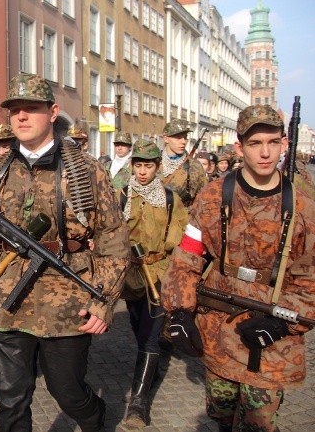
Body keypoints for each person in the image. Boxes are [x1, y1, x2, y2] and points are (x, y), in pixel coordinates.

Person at [0, 73, 129, 432]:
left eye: (31, 109)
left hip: (68, 297)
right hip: (6, 298)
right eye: (15, 110)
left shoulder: (86, 170)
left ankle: (95, 420)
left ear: (52, 112)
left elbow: (113, 238)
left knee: (67, 392)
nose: (20, 117)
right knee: (11, 399)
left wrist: (105, 300)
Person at [160, 105, 315, 432]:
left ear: (284, 144)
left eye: (273, 143)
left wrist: (281, 322)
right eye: (255, 143)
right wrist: (179, 312)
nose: (265, 152)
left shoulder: (303, 207)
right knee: (220, 414)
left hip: (274, 341)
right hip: (219, 331)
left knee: (258, 424)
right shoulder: (213, 196)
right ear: (239, 147)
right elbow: (188, 257)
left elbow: (312, 280)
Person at [115, 140, 189, 427]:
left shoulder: (171, 199)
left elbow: (183, 238)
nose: (143, 171)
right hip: (131, 276)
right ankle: (151, 364)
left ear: (158, 167)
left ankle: (139, 402)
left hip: (160, 271)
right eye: (138, 165)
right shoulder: (121, 196)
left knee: (150, 332)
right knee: (137, 324)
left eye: (148, 165)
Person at [157, 119, 207, 209]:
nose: (183, 141)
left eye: (185, 137)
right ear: (166, 139)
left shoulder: (195, 166)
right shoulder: (153, 162)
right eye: (178, 137)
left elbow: (204, 198)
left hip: (183, 219)